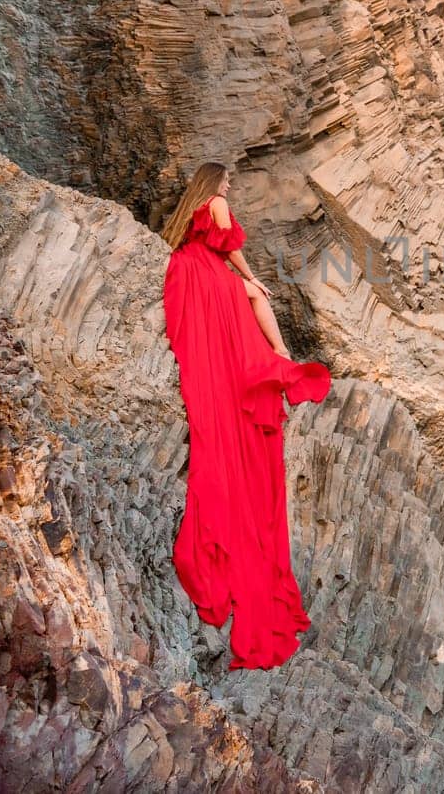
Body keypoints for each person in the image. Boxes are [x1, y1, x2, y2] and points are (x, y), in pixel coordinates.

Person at [160, 161, 331, 669]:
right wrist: (253, 278)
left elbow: (201, 244)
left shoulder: (192, 212)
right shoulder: (215, 204)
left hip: (191, 274)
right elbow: (233, 249)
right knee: (257, 295)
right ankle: (280, 357)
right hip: (211, 279)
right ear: (216, 185)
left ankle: (274, 358)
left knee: (225, 350)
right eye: (227, 183)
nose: (230, 189)